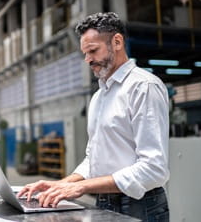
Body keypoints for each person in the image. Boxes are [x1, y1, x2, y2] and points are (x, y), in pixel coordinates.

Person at [17, 12, 170, 221]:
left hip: (140, 205)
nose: (88, 60)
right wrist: (64, 183)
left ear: (117, 42)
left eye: (93, 51)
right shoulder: (100, 96)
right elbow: (94, 159)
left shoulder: (143, 87)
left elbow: (153, 169)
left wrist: (81, 187)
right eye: (85, 53)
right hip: (104, 200)